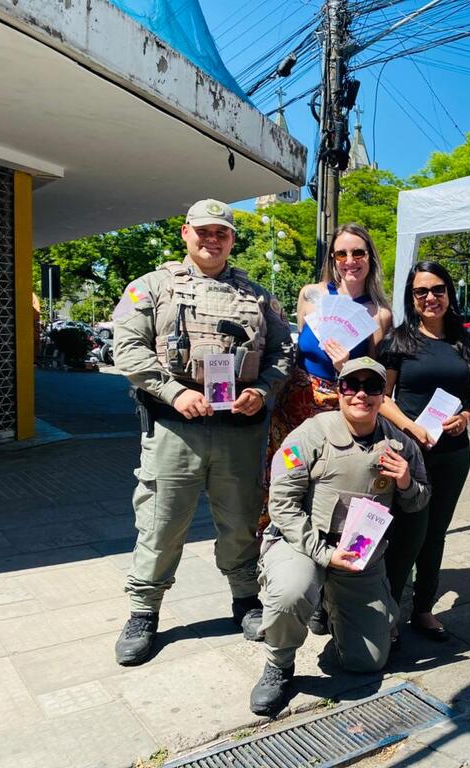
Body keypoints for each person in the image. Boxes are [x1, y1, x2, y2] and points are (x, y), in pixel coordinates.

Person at [112, 199, 294, 666]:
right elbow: (128, 349)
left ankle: (244, 599)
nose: (212, 240)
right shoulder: (150, 288)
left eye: (223, 233)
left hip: (238, 428)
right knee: (161, 522)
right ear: (185, 233)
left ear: (232, 240)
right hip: (176, 427)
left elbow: (281, 352)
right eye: (204, 231)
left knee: (240, 520)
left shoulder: (256, 296)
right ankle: (143, 612)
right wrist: (173, 392)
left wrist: (261, 388)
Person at [250, 358, 430, 715]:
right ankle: (279, 663)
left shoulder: (400, 444)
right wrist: (322, 553)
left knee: (368, 662)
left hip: (360, 554)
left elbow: (420, 500)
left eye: (372, 387)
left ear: (383, 394)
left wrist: (407, 482)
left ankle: (332, 606)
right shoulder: (308, 435)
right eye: (352, 385)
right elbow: (282, 505)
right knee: (291, 591)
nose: (361, 393)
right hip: (300, 542)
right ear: (339, 390)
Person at [265, 223, 392, 633]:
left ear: (370, 257)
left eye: (358, 252)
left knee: (336, 496)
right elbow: (294, 349)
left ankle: (327, 592)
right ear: (332, 259)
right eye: (341, 254)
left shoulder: (379, 313)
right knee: (289, 491)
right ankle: (287, 580)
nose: (350, 261)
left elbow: (375, 376)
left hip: (345, 404)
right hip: (298, 405)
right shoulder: (311, 296)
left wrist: (347, 370)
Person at [379, 261, 470, 641]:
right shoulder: (398, 342)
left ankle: (423, 608)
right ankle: (386, 610)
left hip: (452, 452)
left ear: (448, 293)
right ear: (411, 297)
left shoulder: (464, 343)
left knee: (436, 533)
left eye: (438, 290)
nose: (430, 298)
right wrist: (410, 427)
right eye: (422, 292)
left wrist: (466, 416)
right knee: (404, 530)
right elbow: (383, 397)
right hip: (409, 451)